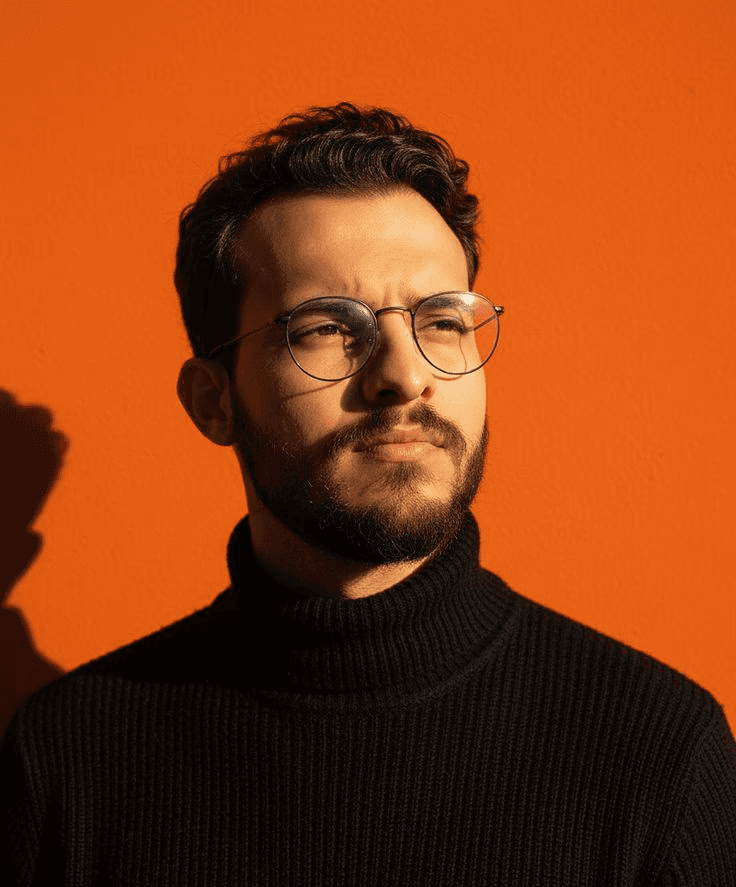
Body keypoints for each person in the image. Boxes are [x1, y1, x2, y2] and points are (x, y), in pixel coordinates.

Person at [1, 103, 735, 885]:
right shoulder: (67, 761)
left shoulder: (657, 750)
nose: (405, 374)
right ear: (212, 400)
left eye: (442, 321)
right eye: (326, 327)